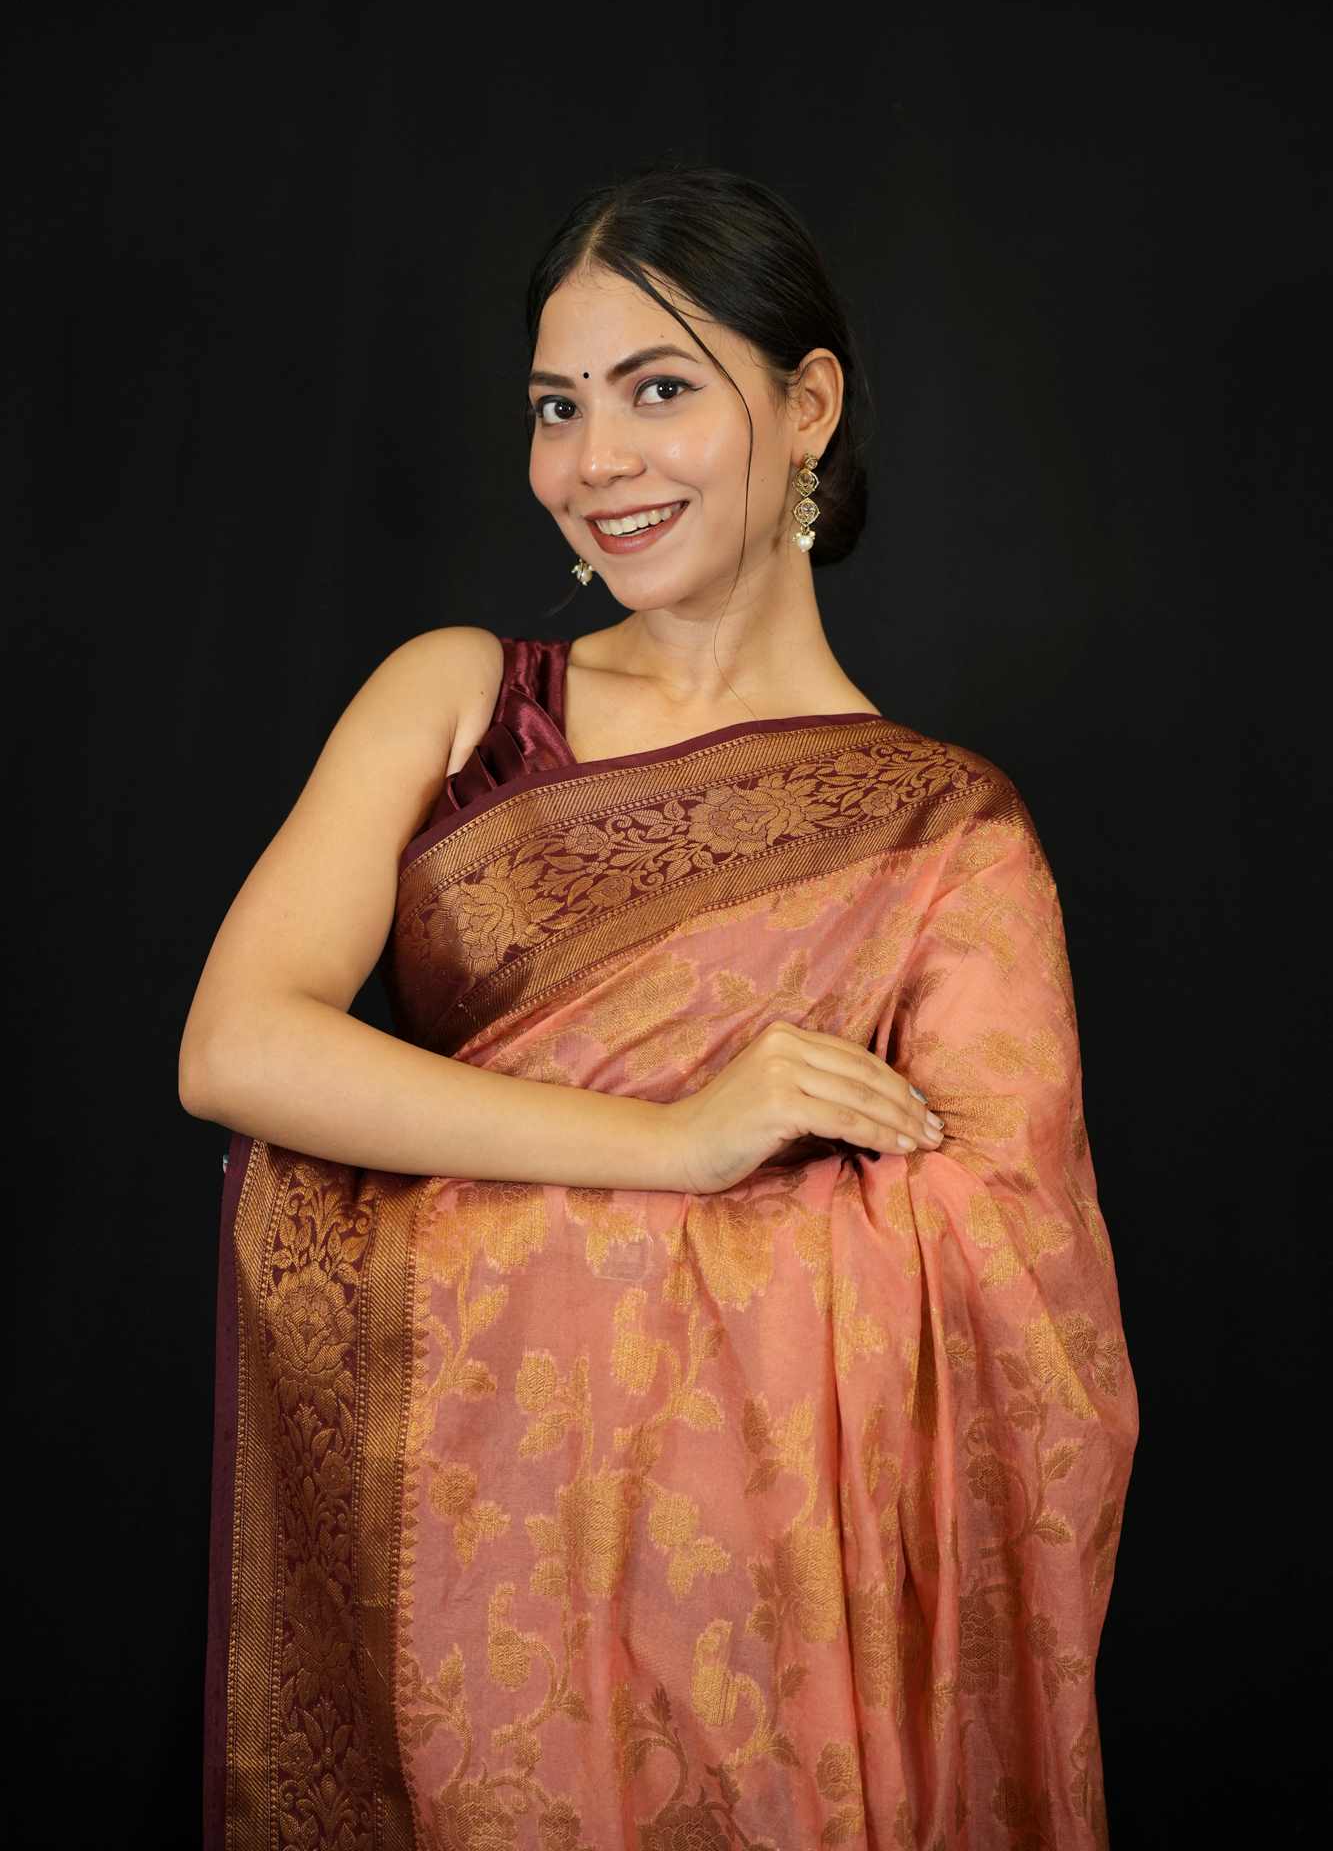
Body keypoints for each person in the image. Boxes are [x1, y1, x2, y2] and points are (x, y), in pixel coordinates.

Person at [182, 164, 1138, 1850]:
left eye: (658, 389)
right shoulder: (465, 700)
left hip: (765, 1637)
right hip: (477, 1582)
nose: (594, 461)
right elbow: (239, 1046)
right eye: (557, 407)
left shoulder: (943, 833)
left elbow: (1008, 1296)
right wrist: (680, 1145)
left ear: (807, 405)